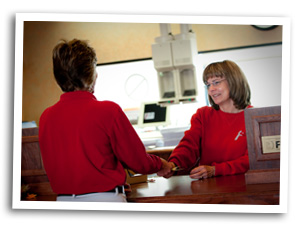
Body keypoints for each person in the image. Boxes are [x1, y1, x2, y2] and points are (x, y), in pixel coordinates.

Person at [39, 39, 170, 202]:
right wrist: (161, 164)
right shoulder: (108, 111)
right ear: (91, 75)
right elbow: (138, 162)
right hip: (105, 201)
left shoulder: (46, 117)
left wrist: (115, 183)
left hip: (64, 202)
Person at [157, 60, 251, 179]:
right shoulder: (203, 115)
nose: (211, 89)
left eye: (216, 82)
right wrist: (174, 164)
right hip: (210, 188)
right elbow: (188, 145)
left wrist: (216, 170)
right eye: (208, 85)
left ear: (234, 82)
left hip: (243, 185)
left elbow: (251, 160)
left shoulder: (255, 118)